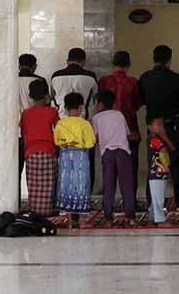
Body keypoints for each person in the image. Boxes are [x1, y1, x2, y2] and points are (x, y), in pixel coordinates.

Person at [138, 45, 179, 210]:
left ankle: (152, 204)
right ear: (169, 59)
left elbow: (141, 100)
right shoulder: (176, 77)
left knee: (155, 165)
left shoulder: (145, 77)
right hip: (174, 126)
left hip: (153, 127)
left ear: (154, 59)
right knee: (177, 165)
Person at [98, 51, 143, 199]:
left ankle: (108, 205)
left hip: (108, 132)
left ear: (113, 64)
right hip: (130, 131)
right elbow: (138, 104)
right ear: (129, 65)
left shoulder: (104, 81)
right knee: (130, 169)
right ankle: (130, 203)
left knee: (109, 170)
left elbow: (101, 104)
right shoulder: (133, 82)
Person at [92, 89, 136, 226]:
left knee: (109, 185)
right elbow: (127, 133)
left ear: (100, 104)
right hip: (123, 151)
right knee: (127, 185)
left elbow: (94, 138)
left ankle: (108, 218)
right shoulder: (119, 114)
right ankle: (131, 217)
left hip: (108, 153)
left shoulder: (96, 118)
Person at [54, 93, 97, 228]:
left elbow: (56, 141)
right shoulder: (85, 124)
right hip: (81, 157)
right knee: (81, 185)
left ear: (65, 108)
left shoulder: (61, 123)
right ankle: (83, 221)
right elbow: (91, 142)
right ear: (81, 107)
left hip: (65, 156)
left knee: (65, 185)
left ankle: (70, 222)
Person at [19, 78, 60, 217]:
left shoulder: (25, 113)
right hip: (49, 152)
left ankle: (35, 213)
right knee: (49, 185)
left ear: (30, 96)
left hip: (31, 154)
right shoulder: (53, 112)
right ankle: (49, 214)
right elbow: (58, 131)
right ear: (46, 96)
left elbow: (24, 132)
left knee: (34, 186)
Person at [17, 53, 46, 195]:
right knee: (36, 172)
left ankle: (13, 201)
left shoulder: (10, 81)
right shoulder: (40, 81)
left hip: (15, 132)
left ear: (18, 65)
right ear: (34, 66)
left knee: (15, 171)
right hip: (34, 133)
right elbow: (46, 105)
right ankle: (35, 200)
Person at [146, 115, 175, 225]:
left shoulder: (158, 138)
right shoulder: (153, 138)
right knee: (158, 198)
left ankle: (153, 215)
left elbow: (171, 149)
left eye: (162, 125)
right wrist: (164, 135)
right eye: (158, 125)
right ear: (150, 127)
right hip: (156, 172)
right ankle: (160, 219)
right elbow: (164, 150)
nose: (161, 127)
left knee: (157, 195)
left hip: (160, 172)